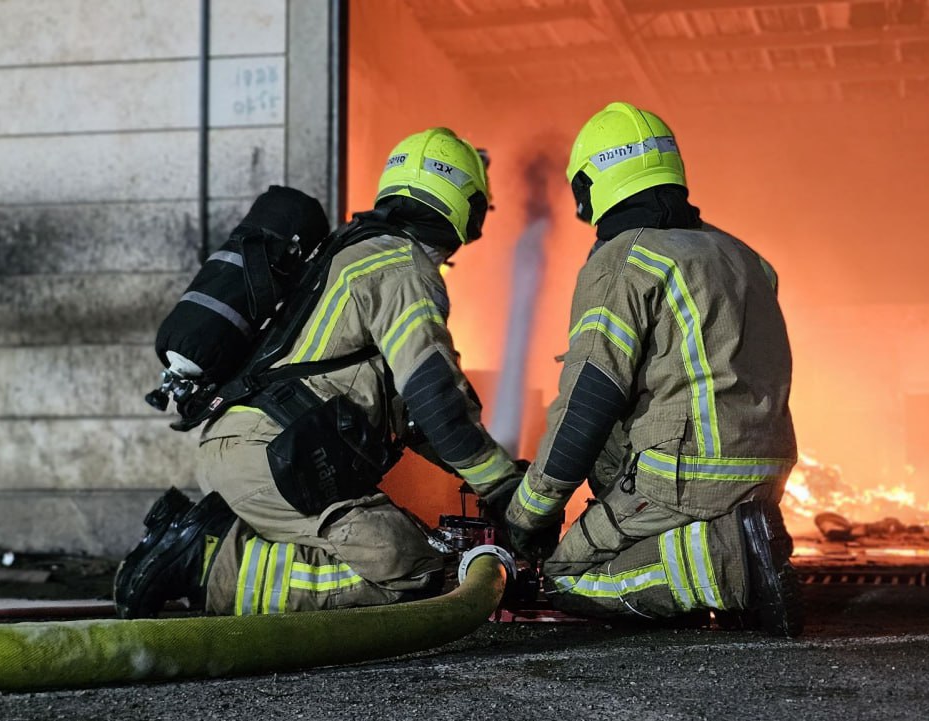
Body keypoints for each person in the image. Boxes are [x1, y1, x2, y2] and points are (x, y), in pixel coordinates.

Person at [116, 127, 524, 617]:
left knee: (415, 547)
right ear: (465, 205)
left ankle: (209, 534)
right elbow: (436, 398)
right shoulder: (400, 264)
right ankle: (210, 562)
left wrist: (493, 478)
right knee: (407, 565)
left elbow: (418, 421)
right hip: (277, 459)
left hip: (264, 454)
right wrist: (504, 489)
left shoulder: (355, 252)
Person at [503, 102, 803, 636]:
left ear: (591, 186)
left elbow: (590, 400)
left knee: (567, 575)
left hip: (686, 475)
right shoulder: (746, 257)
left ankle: (726, 566)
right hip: (765, 474)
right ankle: (723, 543)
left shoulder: (624, 258)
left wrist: (529, 513)